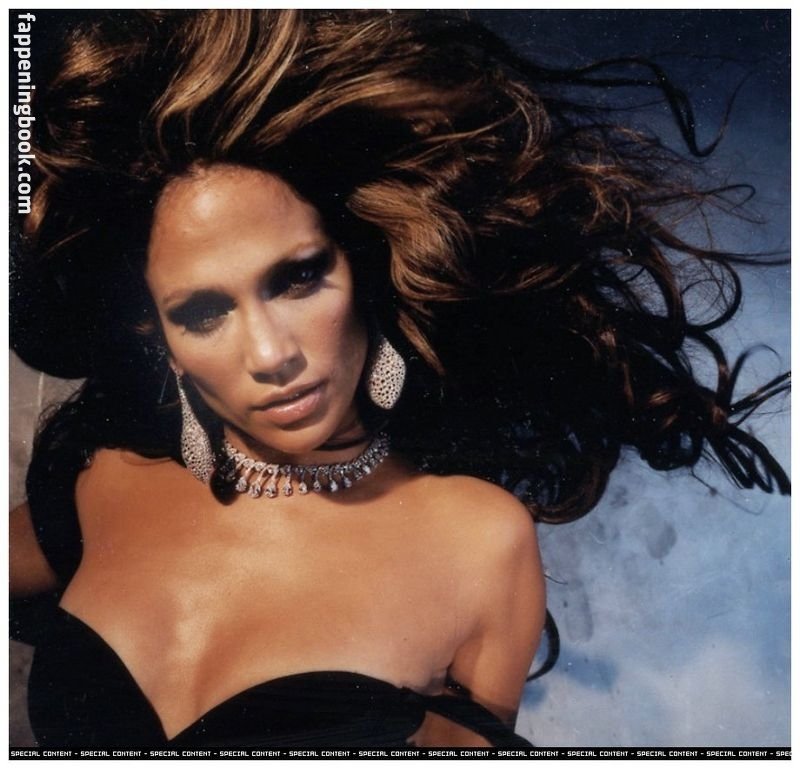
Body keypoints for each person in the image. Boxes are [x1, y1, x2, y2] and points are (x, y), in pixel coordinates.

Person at [9, 10, 788, 749]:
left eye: (297, 278)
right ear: (165, 342)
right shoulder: (104, 474)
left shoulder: (480, 543)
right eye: (205, 312)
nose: (271, 353)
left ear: (365, 271)